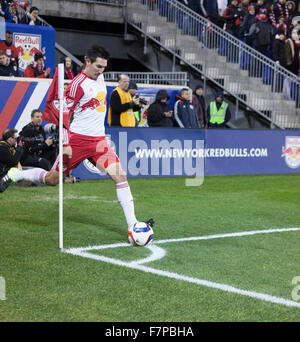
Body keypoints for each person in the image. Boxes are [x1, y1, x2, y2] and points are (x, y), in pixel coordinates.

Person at [0, 45, 154, 231]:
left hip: (99, 142)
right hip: (77, 141)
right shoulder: (77, 85)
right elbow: (63, 114)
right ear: (87, 61)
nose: (101, 70)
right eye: (98, 66)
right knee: (52, 180)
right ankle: (17, 174)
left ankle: (133, 226)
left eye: (104, 67)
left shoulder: (101, 77)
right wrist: (65, 143)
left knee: (120, 175)